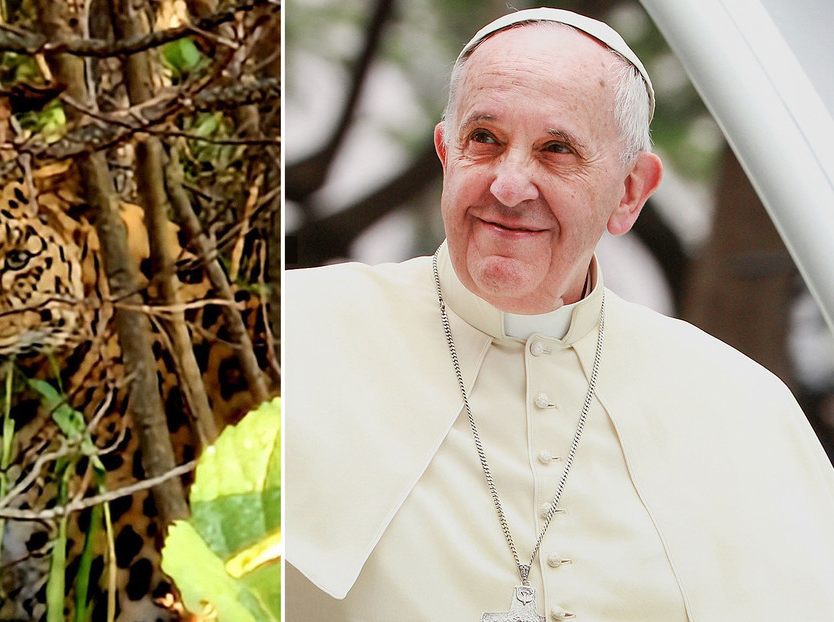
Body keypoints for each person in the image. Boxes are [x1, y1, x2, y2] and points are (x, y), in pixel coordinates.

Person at [284, 7, 834, 620]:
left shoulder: (745, 406)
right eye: (485, 140)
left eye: (556, 150)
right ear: (446, 154)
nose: (510, 185)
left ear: (629, 193)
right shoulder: (288, 336)